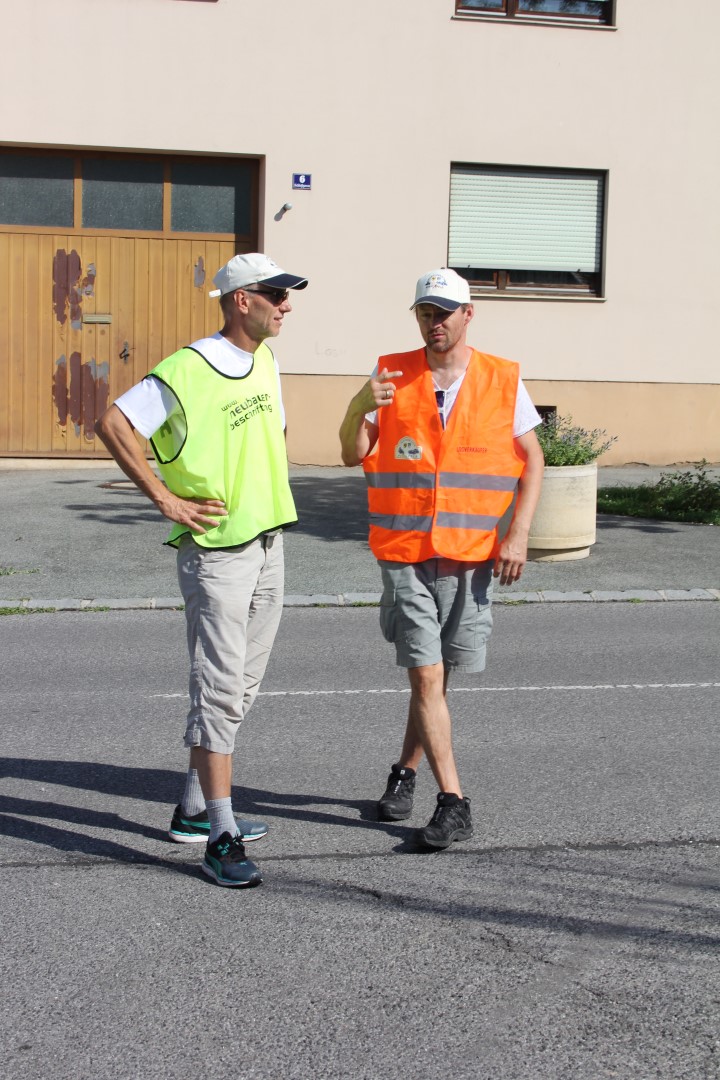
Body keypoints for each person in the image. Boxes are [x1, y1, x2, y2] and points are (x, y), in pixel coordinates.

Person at [95, 252, 308, 887]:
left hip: (269, 543)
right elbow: (111, 422)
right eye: (276, 294)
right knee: (217, 691)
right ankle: (220, 833)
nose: (286, 305)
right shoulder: (185, 371)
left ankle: (192, 807)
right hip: (217, 555)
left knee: (242, 688)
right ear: (241, 299)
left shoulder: (265, 360)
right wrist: (166, 499)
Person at [339, 267, 544, 849]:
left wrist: (518, 534)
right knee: (426, 674)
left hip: (470, 557)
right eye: (425, 312)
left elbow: (534, 461)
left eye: (445, 312)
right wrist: (357, 407)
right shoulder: (391, 374)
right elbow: (353, 454)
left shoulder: (502, 380)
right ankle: (454, 802)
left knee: (437, 679)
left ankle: (403, 775)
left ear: (467, 315)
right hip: (403, 554)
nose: (434, 322)